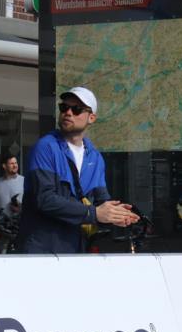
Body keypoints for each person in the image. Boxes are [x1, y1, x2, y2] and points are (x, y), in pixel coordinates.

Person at [16, 86, 138, 254]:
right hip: (40, 249)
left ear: (91, 118)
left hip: (75, 248)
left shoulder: (94, 156)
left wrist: (116, 214)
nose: (68, 113)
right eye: (64, 107)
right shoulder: (45, 147)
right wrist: (95, 213)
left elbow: (101, 200)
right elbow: (45, 199)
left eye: (76, 109)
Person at [0, 154, 24, 254]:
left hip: (17, 227)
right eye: (11, 163)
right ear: (4, 166)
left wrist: (21, 209)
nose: (15, 165)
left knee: (16, 257)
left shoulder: (24, 181)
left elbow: (31, 204)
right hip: (0, 228)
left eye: (16, 163)